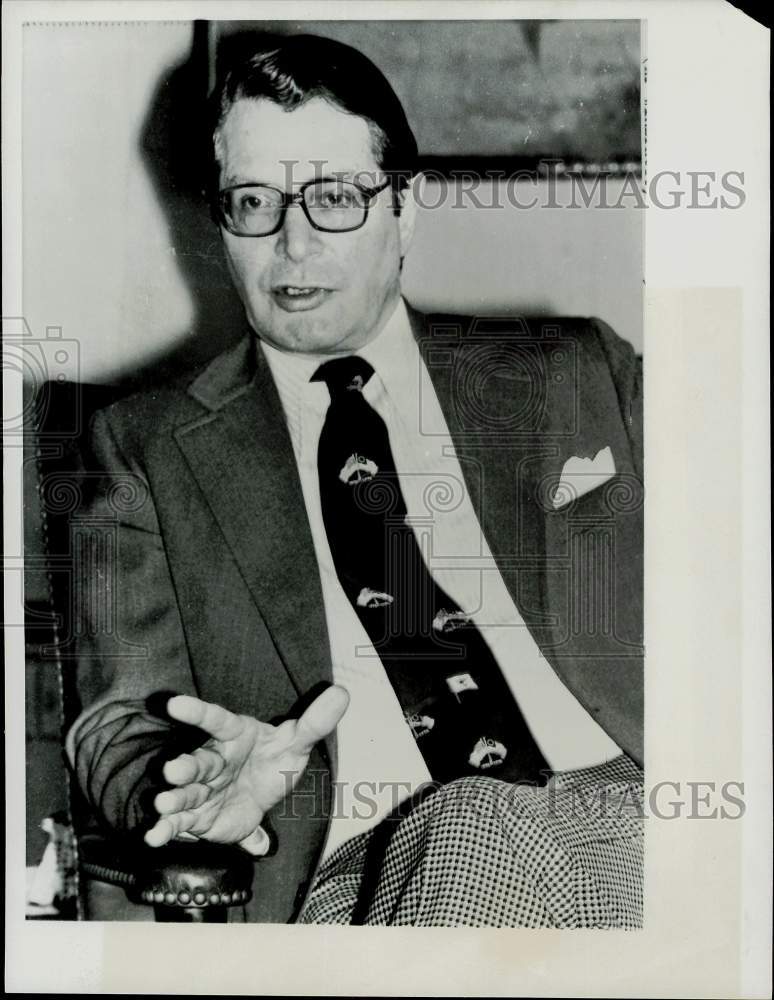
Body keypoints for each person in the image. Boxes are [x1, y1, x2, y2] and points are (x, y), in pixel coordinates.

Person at [67, 33, 644, 926]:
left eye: (334, 198)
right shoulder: (143, 447)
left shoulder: (575, 373)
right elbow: (115, 723)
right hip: (365, 868)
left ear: (405, 209)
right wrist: (178, 785)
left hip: (636, 816)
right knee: (476, 818)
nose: (292, 244)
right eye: (254, 202)